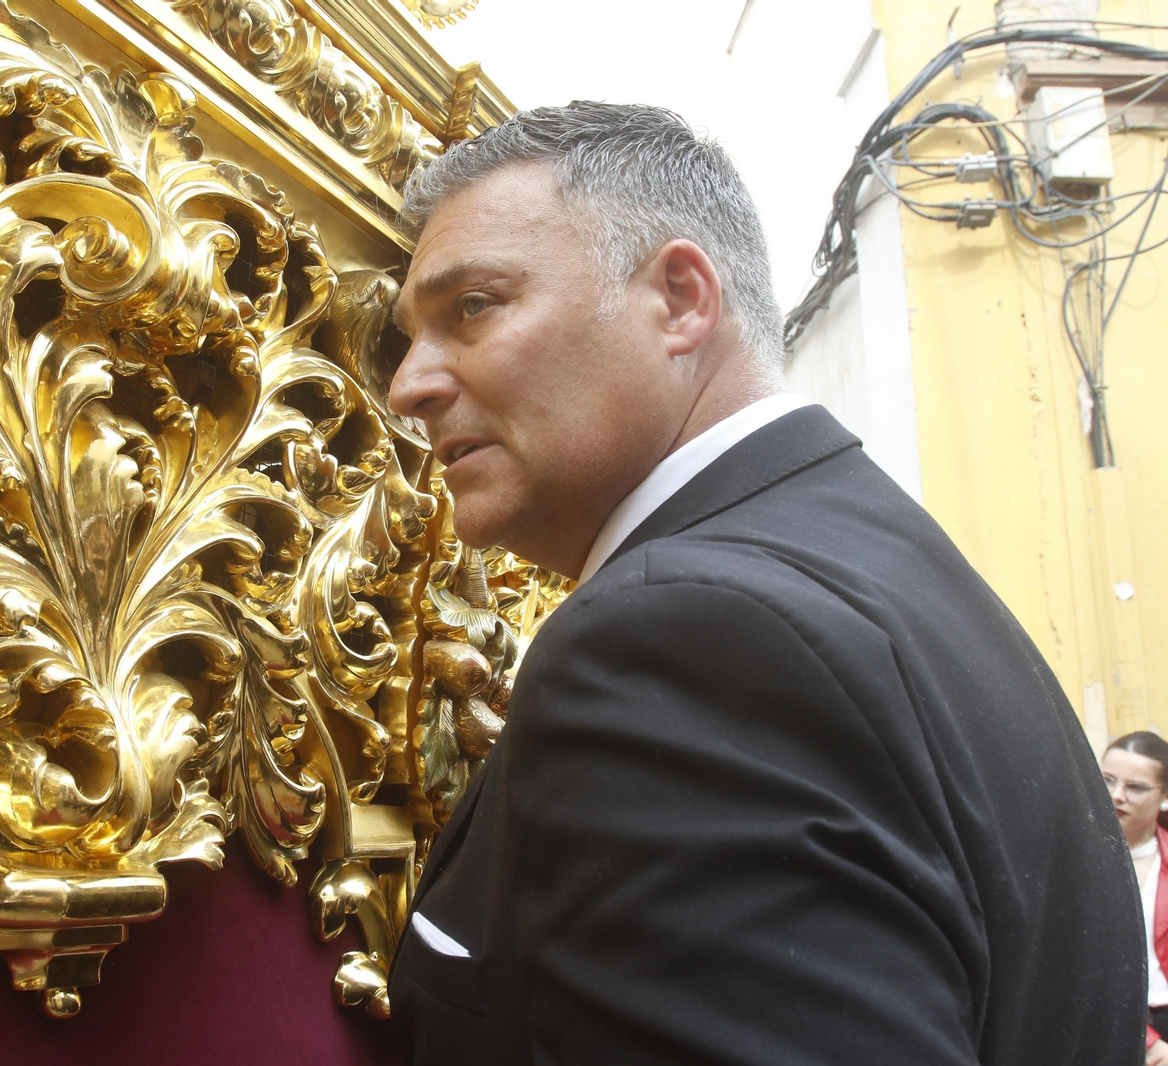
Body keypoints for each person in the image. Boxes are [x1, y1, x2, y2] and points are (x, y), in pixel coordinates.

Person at [385, 101, 1143, 1065]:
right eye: (412, 334)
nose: (411, 383)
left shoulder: (680, 640)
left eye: (473, 308)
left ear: (680, 300)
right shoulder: (880, 560)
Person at [1104, 732, 1168, 1066]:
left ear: (1164, 795)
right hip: (1105, 1016)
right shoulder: (1071, 858)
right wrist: (1149, 1041)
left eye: (1136, 787)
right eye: (1107, 780)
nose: (1117, 795)